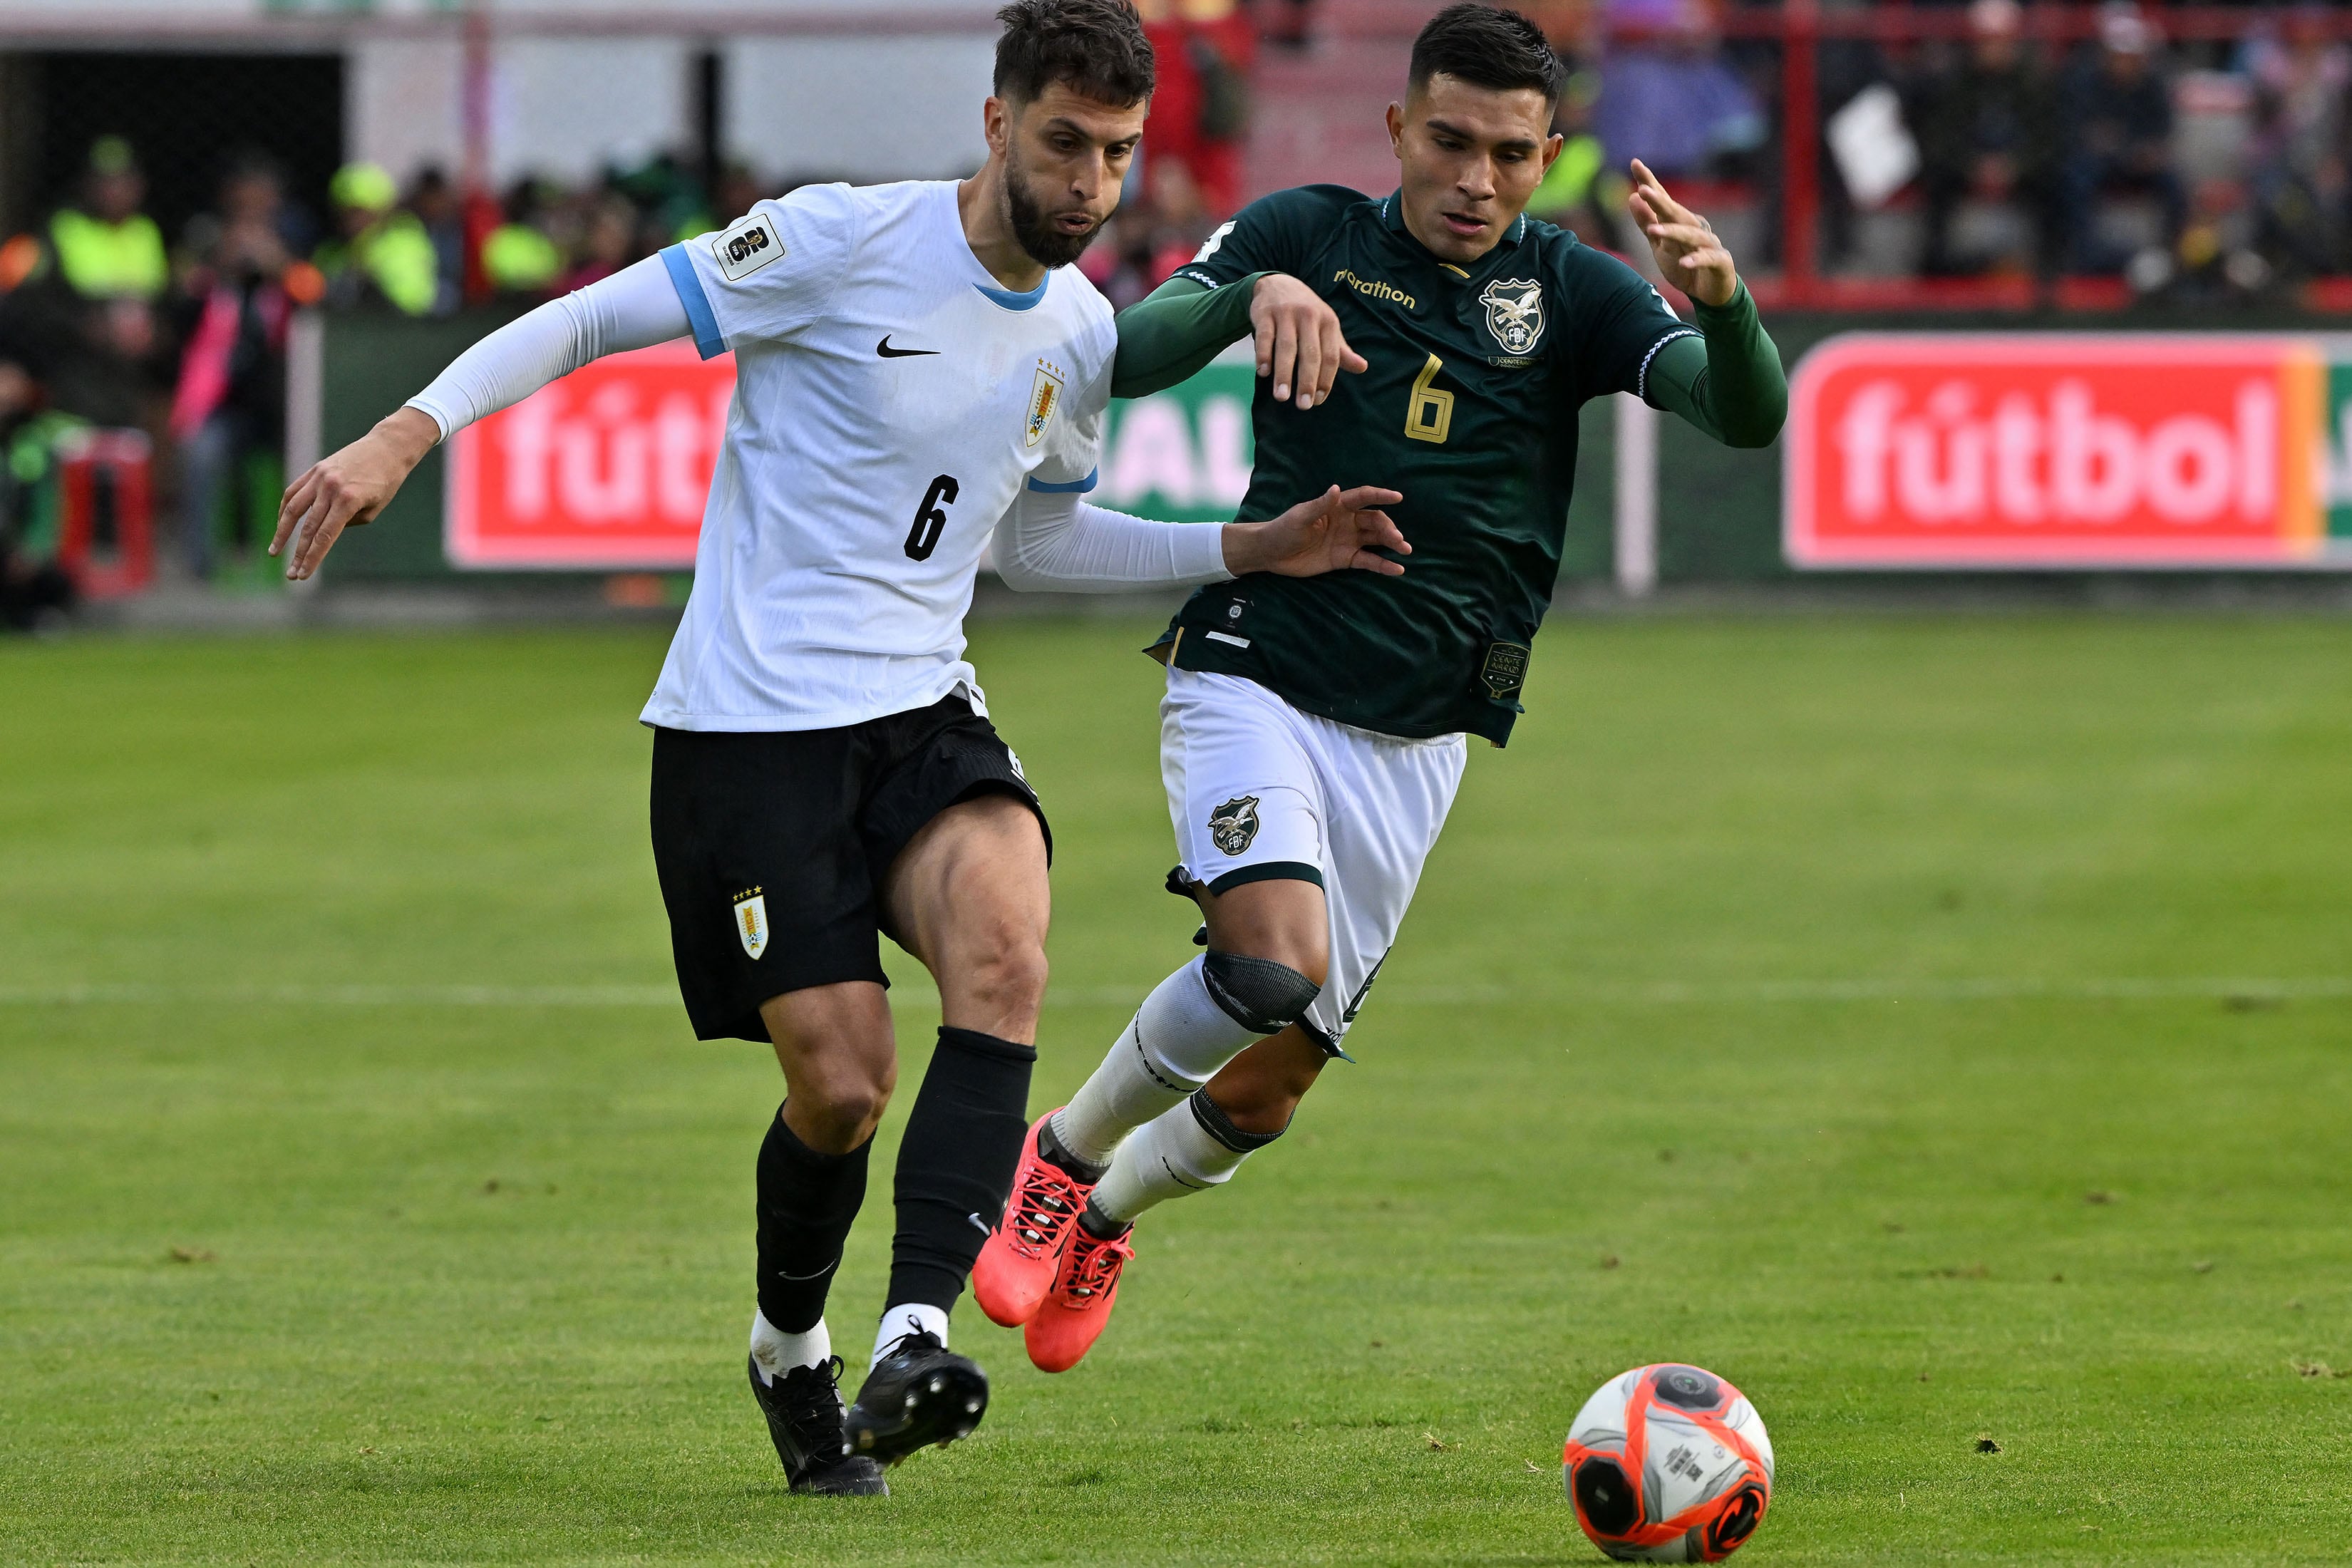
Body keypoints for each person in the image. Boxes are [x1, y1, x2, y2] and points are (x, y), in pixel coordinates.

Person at [267, 0, 1405, 1500]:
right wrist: (411, 427)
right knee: (844, 1084)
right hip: (750, 727)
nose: (1091, 183)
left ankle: (915, 1331)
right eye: (1064, 144)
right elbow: (597, 315)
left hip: (922, 709)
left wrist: (1250, 546)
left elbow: (1042, 541)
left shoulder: (1074, 330)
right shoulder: (834, 239)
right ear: (997, 125)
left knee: (1007, 949)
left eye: (1118, 154)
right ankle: (788, 1343)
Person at [971, 2, 1786, 1374]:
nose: (1478, 180)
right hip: (1260, 671)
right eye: (1452, 142)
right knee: (1268, 965)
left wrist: (1726, 301)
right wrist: (1253, 295)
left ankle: (1106, 1214)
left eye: (1513, 155)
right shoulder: (1305, 232)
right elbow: (1139, 347)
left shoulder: (1574, 292)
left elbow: (1743, 412)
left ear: (1548, 156)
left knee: (1275, 1086)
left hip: (1419, 739)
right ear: (1398, 127)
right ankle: (1060, 1155)